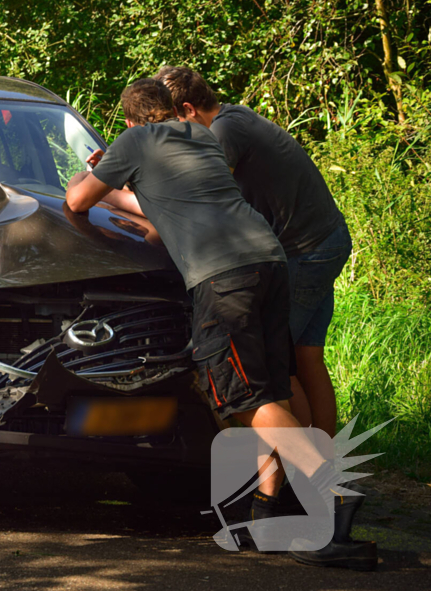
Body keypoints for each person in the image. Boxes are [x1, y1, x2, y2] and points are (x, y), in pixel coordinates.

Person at [65, 79, 374, 570]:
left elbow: (79, 200)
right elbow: (176, 194)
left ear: (128, 120)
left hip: (224, 276)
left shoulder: (134, 141)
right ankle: (269, 510)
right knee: (269, 391)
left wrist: (95, 176)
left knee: (239, 396)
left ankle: (332, 493)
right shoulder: (203, 137)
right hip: (270, 262)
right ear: (172, 108)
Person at [154, 65, 350, 439]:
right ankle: (325, 467)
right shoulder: (234, 116)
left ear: (190, 111)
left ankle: (303, 474)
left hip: (305, 251)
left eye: (172, 122)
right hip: (324, 240)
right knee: (306, 357)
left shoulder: (226, 132)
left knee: (276, 366)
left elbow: (206, 195)